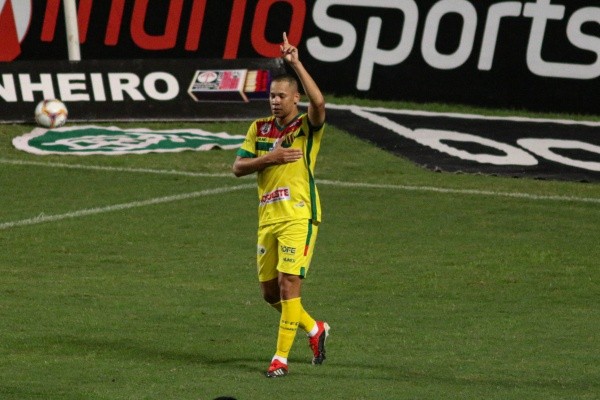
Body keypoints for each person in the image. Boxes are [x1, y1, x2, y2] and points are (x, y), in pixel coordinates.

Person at [232, 32, 329, 378]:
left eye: (281, 96)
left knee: (289, 284)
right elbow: (238, 167)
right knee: (270, 292)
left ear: (294, 98)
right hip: (268, 219)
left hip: (299, 216)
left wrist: (296, 62)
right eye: (271, 95)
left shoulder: (306, 128)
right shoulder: (258, 129)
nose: (275, 101)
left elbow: (319, 105)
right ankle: (314, 328)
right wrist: (269, 159)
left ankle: (280, 360)